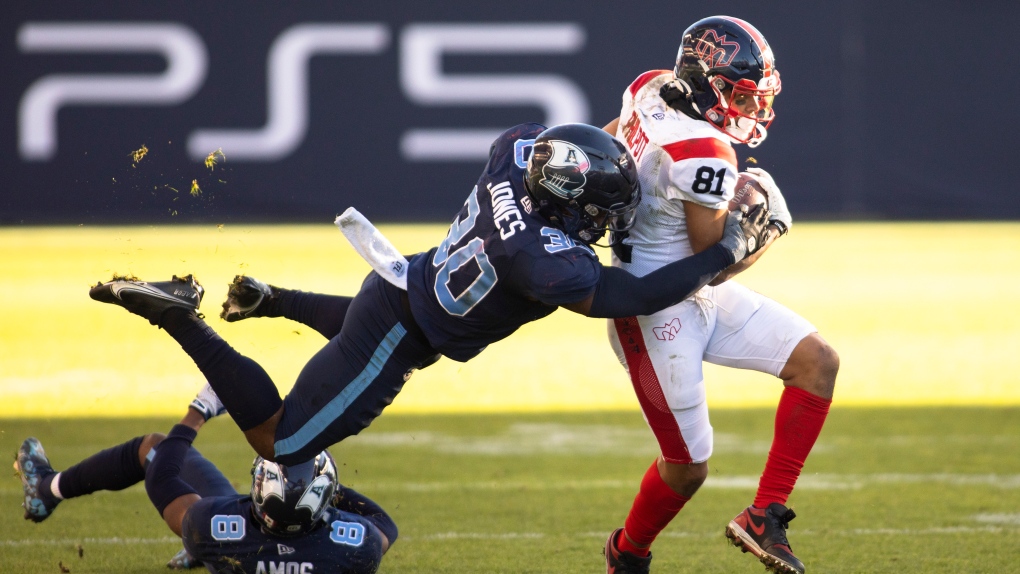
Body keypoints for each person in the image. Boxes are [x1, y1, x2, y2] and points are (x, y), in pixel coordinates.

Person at [87, 122, 769, 473]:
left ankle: (272, 300)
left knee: (368, 337)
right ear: (569, 202)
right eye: (599, 211)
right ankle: (178, 315)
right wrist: (725, 250)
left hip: (399, 283)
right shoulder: (544, 264)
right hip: (403, 326)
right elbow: (644, 294)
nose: (604, 224)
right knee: (282, 442)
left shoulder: (516, 152)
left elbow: (560, 156)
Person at [599, 17, 838, 574]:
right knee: (688, 468)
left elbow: (612, 135)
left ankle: (764, 515)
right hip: (655, 307)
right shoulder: (706, 150)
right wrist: (766, 229)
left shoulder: (651, 85)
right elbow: (714, 265)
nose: (752, 109)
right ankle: (626, 553)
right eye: (740, 95)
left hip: (680, 288)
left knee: (817, 362)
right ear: (707, 83)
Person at [13, 385, 395, 573]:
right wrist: (319, 485)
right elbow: (384, 526)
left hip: (230, 542)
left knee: (152, 447)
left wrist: (199, 411)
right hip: (242, 548)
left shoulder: (208, 530)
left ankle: (46, 489)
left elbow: (163, 476)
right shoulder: (357, 549)